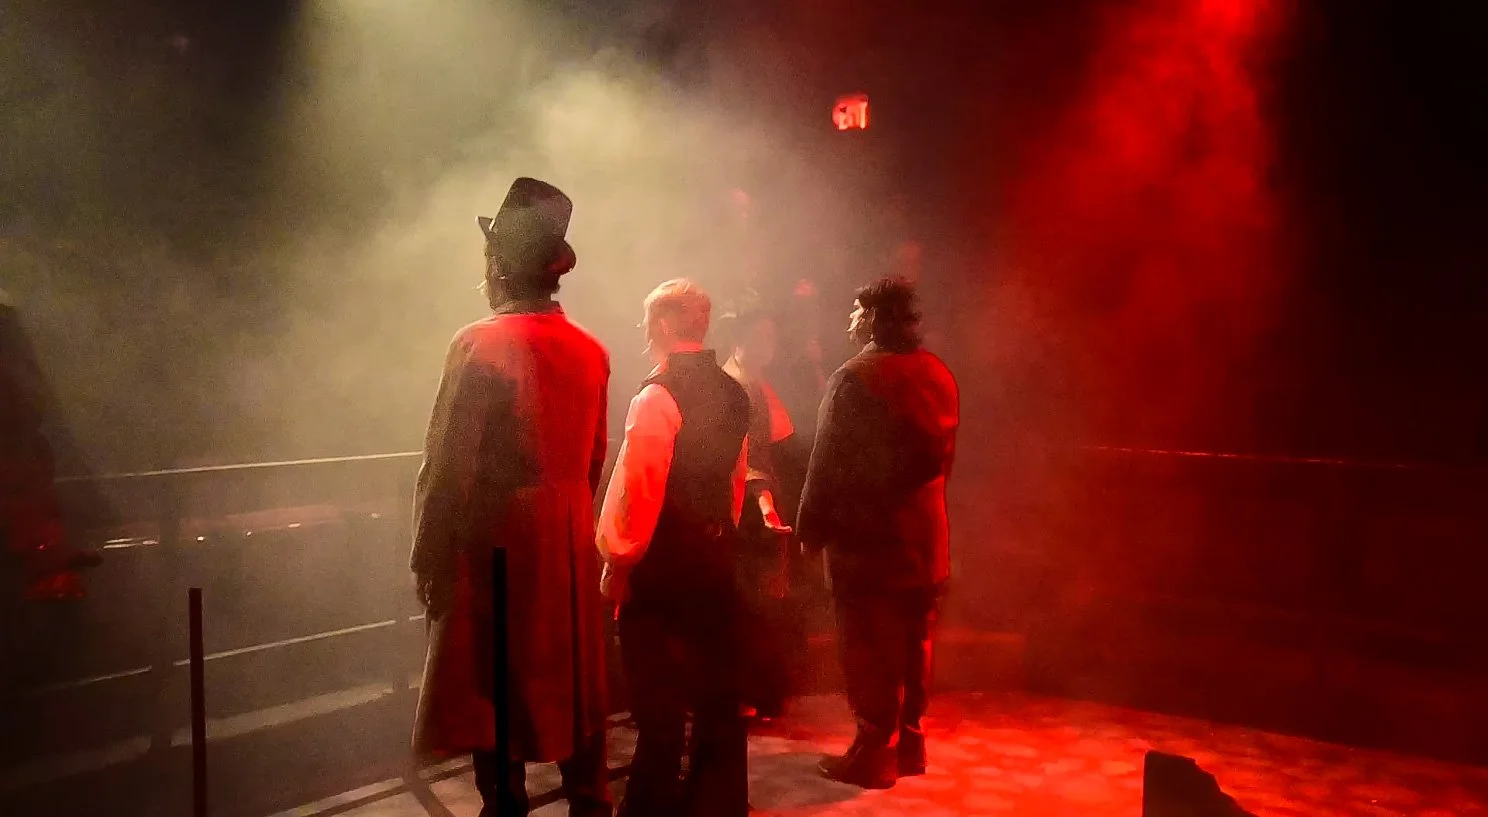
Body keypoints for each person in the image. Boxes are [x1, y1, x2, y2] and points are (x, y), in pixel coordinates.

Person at [409, 178, 613, 817]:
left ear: (499, 266)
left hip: (497, 545)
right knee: (571, 681)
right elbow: (595, 459)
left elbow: (448, 468)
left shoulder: (478, 344)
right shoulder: (592, 351)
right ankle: (591, 804)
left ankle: (506, 809)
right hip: (567, 538)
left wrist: (428, 557)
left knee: (492, 688)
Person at [797, 276, 960, 789]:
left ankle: (873, 751)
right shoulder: (938, 374)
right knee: (915, 643)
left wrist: (810, 528)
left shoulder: (856, 378)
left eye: (856, 310)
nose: (850, 319)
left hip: (869, 546)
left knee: (868, 645)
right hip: (925, 541)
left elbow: (827, 463)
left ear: (873, 318)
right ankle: (910, 743)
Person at [597, 279, 751, 817]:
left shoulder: (657, 395)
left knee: (657, 701)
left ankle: (651, 807)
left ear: (663, 324)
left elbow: (638, 490)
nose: (645, 333)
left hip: (661, 570)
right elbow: (735, 482)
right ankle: (717, 802)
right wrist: (719, 535)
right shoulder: (733, 391)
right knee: (715, 695)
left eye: (648, 322)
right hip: (714, 560)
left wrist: (618, 560)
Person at [718, 307, 801, 721]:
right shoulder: (738, 386)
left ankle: (762, 693)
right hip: (748, 508)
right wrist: (766, 508)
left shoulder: (752, 381)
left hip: (756, 501)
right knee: (753, 602)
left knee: (762, 601)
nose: (769, 345)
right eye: (761, 336)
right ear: (740, 338)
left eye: (772, 336)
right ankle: (754, 693)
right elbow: (750, 460)